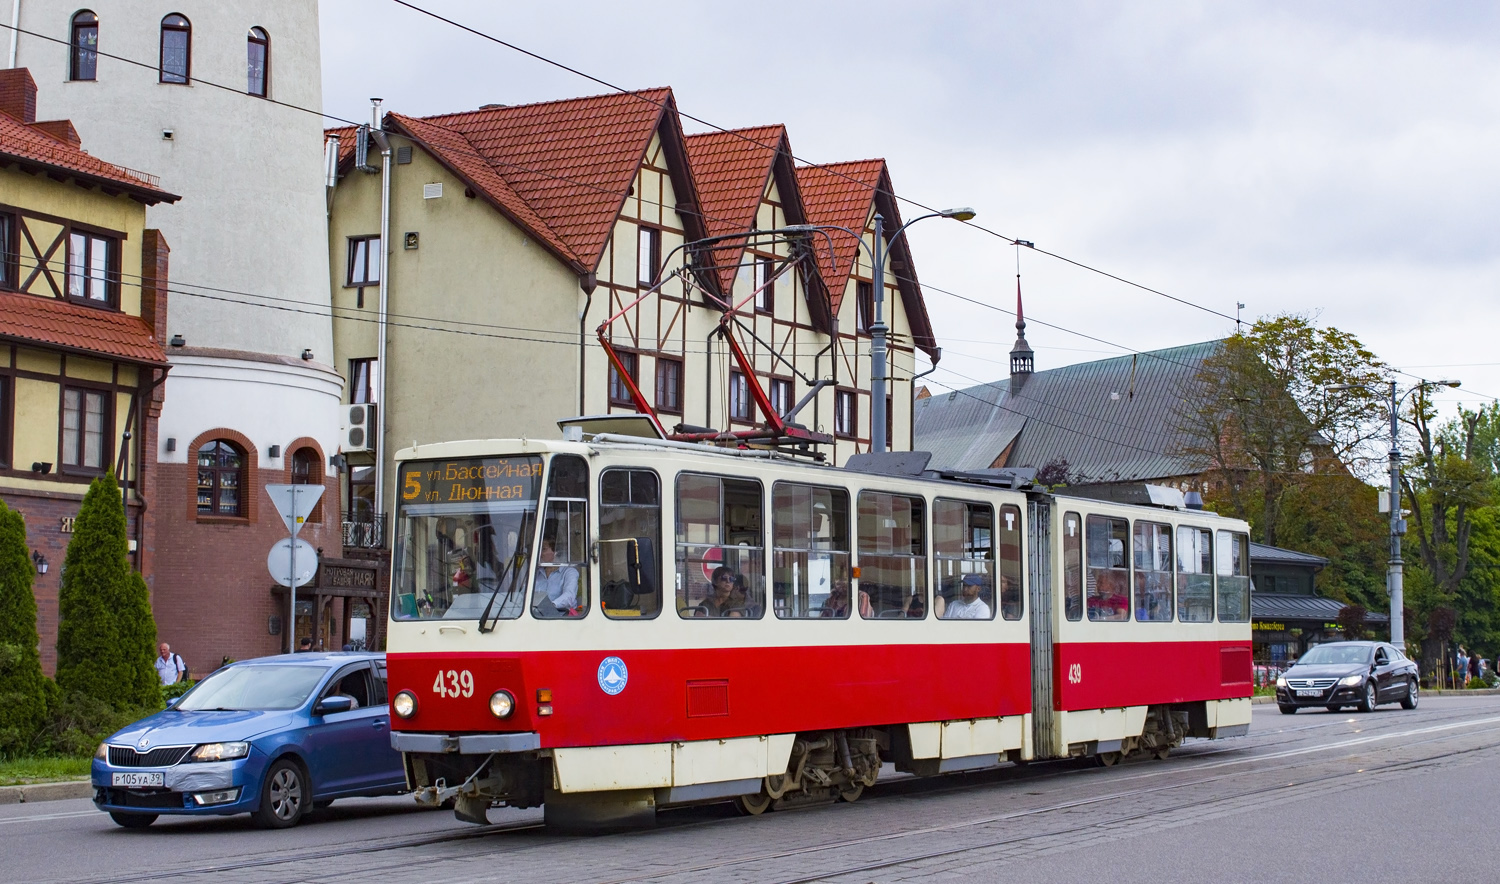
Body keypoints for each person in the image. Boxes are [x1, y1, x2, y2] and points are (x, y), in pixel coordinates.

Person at [532, 538, 580, 617]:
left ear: (555, 552)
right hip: (536, 615)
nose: (540, 553)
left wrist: (551, 606)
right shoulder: (537, 573)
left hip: (561, 617)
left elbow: (569, 596)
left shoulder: (569, 572)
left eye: (543, 549)